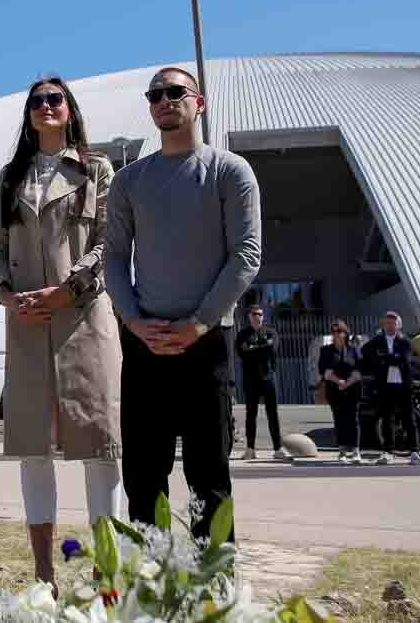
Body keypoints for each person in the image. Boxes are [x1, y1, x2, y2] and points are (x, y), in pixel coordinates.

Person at [97, 67, 261, 539]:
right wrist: (133, 321)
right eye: (156, 95)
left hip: (206, 347)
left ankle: (212, 593)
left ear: (199, 102)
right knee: (144, 481)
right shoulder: (129, 182)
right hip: (145, 348)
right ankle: (149, 593)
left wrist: (201, 322)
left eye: (175, 92)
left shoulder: (231, 171)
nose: (165, 100)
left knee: (208, 480)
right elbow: (114, 260)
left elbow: (246, 255)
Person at [0, 76, 123, 590]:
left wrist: (68, 289)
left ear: (69, 111)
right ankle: (44, 576)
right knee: (33, 449)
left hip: (84, 321)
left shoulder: (96, 170)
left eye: (55, 100)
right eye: (37, 101)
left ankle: (106, 579)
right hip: (26, 324)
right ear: (28, 114)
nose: (46, 107)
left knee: (99, 448)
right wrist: (5, 295)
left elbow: (110, 243)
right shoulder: (8, 178)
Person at [361, 311, 419, 465]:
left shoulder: (405, 341)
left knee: (409, 418)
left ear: (398, 325)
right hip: (385, 385)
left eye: (392, 323)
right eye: (387, 323)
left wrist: (384, 358)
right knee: (387, 418)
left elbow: (404, 359)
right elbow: (364, 353)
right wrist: (384, 359)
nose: (389, 325)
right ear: (383, 325)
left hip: (404, 385)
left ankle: (414, 451)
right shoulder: (377, 340)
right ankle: (388, 451)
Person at [235, 305, 286, 460]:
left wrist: (254, 347)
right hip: (250, 379)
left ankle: (278, 449)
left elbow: (273, 349)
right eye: (254, 314)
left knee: (273, 414)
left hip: (268, 377)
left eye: (260, 314)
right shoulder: (242, 334)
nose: (258, 316)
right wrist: (263, 346)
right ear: (249, 316)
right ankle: (250, 449)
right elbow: (243, 352)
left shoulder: (271, 332)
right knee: (251, 414)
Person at [318, 320, 364, 463]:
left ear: (345, 333)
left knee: (353, 420)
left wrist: (347, 383)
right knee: (339, 420)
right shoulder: (325, 350)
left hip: (353, 389)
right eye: (333, 332)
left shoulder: (354, 349)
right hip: (334, 390)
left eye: (339, 331)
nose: (336, 334)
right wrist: (339, 382)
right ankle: (342, 451)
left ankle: (356, 451)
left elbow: (360, 370)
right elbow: (324, 371)